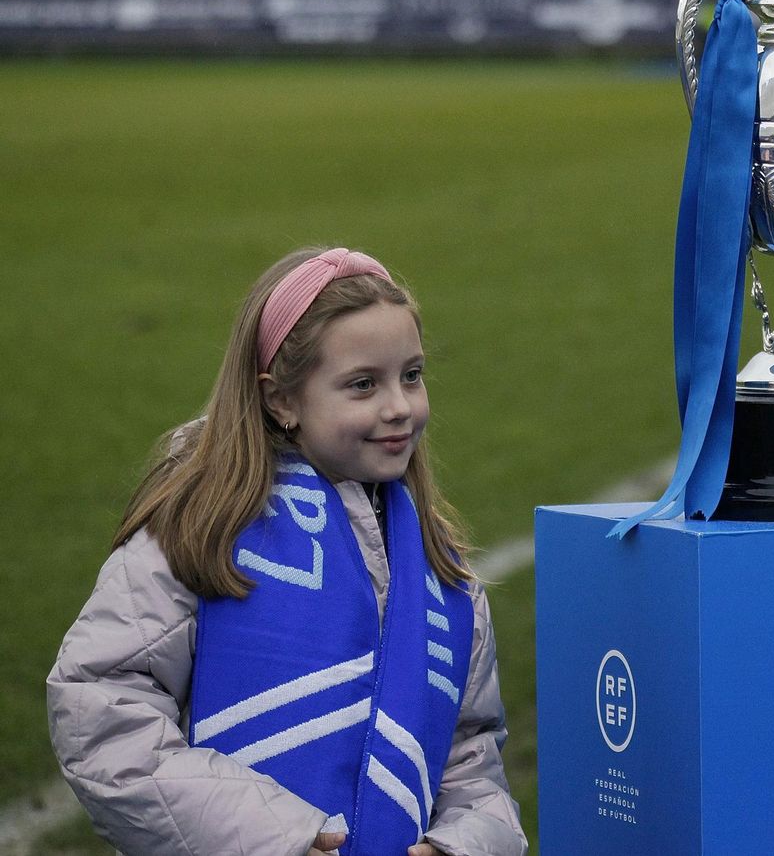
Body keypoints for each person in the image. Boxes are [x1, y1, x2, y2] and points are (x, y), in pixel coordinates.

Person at [47, 247, 528, 856]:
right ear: (281, 400)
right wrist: (279, 839)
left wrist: (459, 844)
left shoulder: (445, 576)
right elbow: (102, 713)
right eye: (362, 385)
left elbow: (470, 755)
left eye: (412, 375)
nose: (399, 407)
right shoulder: (201, 529)